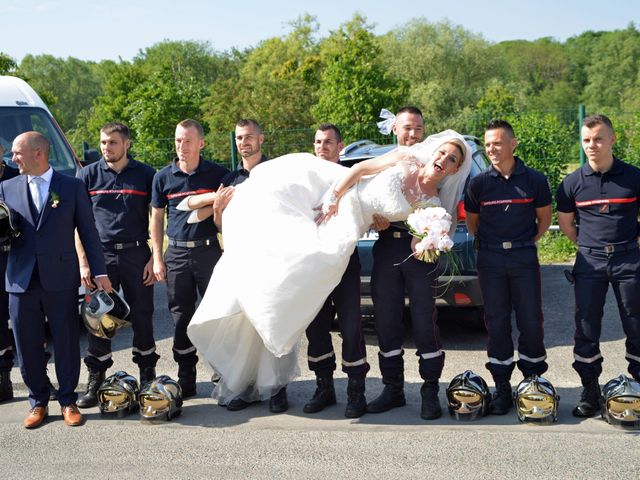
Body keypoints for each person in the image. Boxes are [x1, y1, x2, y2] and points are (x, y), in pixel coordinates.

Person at [185, 129, 471, 412]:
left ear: (456, 168)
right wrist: (334, 197)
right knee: (273, 204)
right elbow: (359, 169)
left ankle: (354, 386)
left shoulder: (434, 204)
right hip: (338, 191)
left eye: (452, 159)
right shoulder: (405, 158)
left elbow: (414, 237)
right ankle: (212, 200)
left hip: (352, 224)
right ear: (433, 151)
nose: (444, 159)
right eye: (442, 152)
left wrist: (423, 239)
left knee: (310, 264)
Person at [0, 132, 111, 428]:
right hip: (19, 281)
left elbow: (88, 232)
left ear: (38, 153)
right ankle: (37, 401)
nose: (12, 159)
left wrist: (99, 273)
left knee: (65, 341)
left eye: (17, 153)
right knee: (26, 344)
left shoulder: (71, 187)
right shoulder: (6, 187)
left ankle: (67, 400)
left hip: (60, 277)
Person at [464, 119, 552, 415]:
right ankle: (501, 386)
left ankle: (533, 383)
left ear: (513, 144)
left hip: (523, 258)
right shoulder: (478, 184)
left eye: (497, 143)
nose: (491, 149)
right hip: (490, 260)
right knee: (497, 322)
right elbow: (472, 225)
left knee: (530, 320)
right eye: (488, 144)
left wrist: (522, 244)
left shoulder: (535, 180)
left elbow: (544, 221)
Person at [556, 114, 640, 417]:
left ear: (612, 140)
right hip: (589, 261)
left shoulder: (633, 177)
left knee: (636, 321)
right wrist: (587, 245)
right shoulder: (572, 183)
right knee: (586, 325)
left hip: (628, 258)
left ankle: (636, 387)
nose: (592, 145)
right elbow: (565, 223)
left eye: (598, 139)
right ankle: (590, 389)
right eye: (587, 139)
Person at [366, 106, 447, 420]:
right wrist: (373, 221)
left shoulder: (434, 162)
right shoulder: (382, 163)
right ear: (394, 129)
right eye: (407, 128)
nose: (412, 134)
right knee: (386, 321)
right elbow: (366, 204)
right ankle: (393, 388)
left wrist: (433, 232)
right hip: (387, 248)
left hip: (421, 251)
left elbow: (447, 203)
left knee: (425, 321)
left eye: (418, 128)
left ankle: (429, 390)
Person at [75, 123, 159, 409]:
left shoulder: (146, 174)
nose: (106, 148)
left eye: (112, 142)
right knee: (99, 322)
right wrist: (84, 263)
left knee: (143, 317)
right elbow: (78, 224)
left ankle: (147, 377)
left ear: (127, 144)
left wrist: (153, 257)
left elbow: (158, 218)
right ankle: (96, 379)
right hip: (101, 258)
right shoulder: (87, 175)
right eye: (102, 142)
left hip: (137, 255)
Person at [150, 119, 229, 397]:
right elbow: (157, 218)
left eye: (186, 141)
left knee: (217, 314)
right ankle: (187, 376)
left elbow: (225, 217)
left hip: (209, 252)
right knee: (181, 317)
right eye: (177, 140)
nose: (181, 146)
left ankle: (223, 372)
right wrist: (158, 258)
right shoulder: (163, 177)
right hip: (178, 254)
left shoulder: (218, 174)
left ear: (201, 143)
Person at [303, 124, 369, 418]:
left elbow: (365, 212)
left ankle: (356, 391)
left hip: (344, 263)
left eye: (328, 142)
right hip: (312, 264)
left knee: (351, 325)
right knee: (315, 326)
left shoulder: (350, 177)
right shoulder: (303, 177)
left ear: (340, 146)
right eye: (318, 142)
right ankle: (324, 387)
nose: (322, 147)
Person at [0, 143, 18, 402]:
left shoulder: (17, 176)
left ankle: (40, 377)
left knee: (28, 317)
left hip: (15, 256)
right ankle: (3, 379)